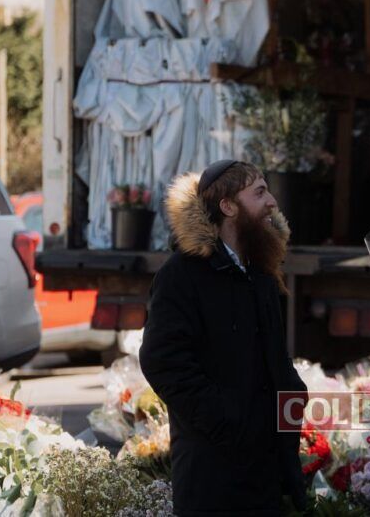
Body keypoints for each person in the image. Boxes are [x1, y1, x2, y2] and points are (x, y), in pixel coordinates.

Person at [139, 160, 307, 516]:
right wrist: (229, 422)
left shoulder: (260, 271)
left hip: (265, 473)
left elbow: (276, 356)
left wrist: (293, 398)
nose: (272, 202)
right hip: (212, 476)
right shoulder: (181, 274)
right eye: (259, 192)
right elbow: (163, 362)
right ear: (228, 206)